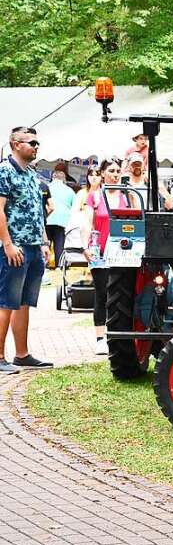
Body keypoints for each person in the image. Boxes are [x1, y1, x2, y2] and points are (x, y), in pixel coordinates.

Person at [0, 127, 53, 371]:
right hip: (14, 248)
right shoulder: (4, 171)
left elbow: (37, 211)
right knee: (6, 302)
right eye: (31, 142)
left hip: (33, 247)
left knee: (23, 303)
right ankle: (0, 357)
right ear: (15, 144)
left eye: (37, 142)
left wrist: (44, 242)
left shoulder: (32, 173)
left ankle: (22, 354)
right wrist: (8, 244)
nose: (36, 146)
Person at [82, 160, 126, 355]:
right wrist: (85, 247)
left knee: (122, 292)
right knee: (102, 293)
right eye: (111, 171)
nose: (115, 174)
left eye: (117, 171)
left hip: (122, 252)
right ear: (102, 173)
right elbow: (87, 223)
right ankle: (101, 337)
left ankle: (118, 334)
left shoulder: (127, 195)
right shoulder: (95, 196)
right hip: (99, 250)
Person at [45, 169, 75, 265]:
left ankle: (43, 270)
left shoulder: (46, 187)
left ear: (52, 178)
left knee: (45, 246)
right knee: (59, 247)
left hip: (46, 220)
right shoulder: (70, 191)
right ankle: (60, 268)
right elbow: (75, 208)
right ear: (64, 179)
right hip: (62, 222)